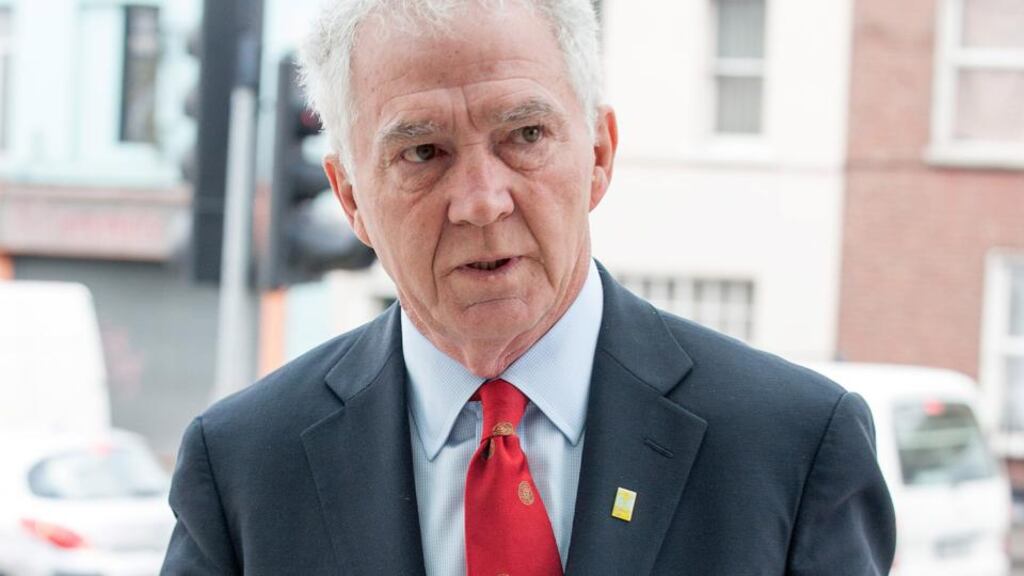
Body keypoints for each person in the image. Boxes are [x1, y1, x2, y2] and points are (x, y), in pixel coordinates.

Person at [161, 0, 896, 574]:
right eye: (423, 151)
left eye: (526, 135)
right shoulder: (244, 469)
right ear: (351, 198)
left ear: (600, 154)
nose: (482, 200)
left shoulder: (793, 448)